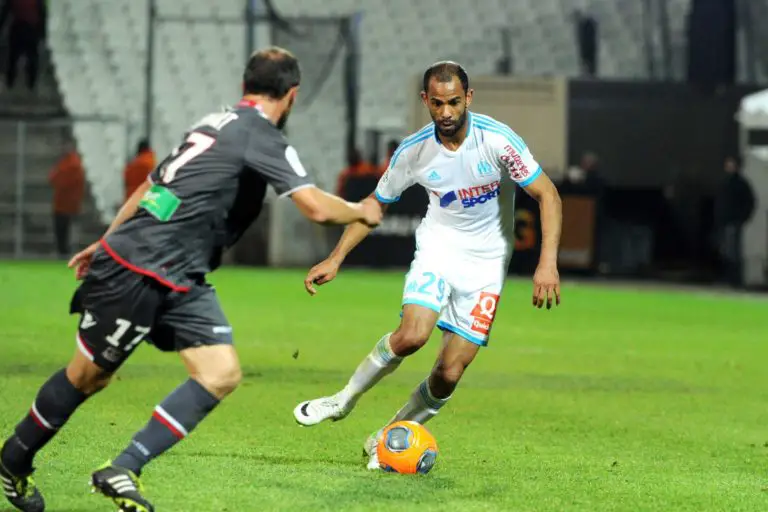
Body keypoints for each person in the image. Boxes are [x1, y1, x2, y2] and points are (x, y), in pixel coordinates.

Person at [0, 46, 382, 512]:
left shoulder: (214, 122)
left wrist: (108, 239)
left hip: (176, 272)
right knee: (87, 376)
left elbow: (151, 186)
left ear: (246, 85)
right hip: (145, 268)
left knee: (220, 373)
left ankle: (123, 468)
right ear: (293, 95)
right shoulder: (261, 134)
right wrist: (362, 210)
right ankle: (13, 460)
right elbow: (317, 207)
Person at [293, 61, 562, 470]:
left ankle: (386, 438)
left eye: (454, 102)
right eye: (437, 103)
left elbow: (548, 195)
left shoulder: (498, 140)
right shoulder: (414, 151)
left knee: (449, 373)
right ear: (425, 101)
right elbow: (376, 204)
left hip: (487, 266)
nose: (446, 112)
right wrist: (336, 257)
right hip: (439, 250)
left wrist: (547, 264)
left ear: (468, 98)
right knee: (412, 336)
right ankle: (343, 400)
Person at [714, 156, 755, 287]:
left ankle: (734, 279)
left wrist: (741, 218)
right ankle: (730, 278)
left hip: (732, 222)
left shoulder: (739, 184)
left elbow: (749, 202)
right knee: (726, 250)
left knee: (732, 251)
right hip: (725, 221)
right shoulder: (727, 183)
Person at [48, 142, 85, 257]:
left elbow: (55, 179)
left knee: (63, 232)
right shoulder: (72, 163)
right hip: (69, 204)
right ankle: (65, 252)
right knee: (65, 232)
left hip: (65, 205)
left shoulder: (69, 164)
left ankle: (64, 253)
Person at [0, 0, 46, 91]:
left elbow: (5, 13)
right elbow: (42, 14)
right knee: (32, 57)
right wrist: (42, 32)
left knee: (13, 57)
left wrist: (1, 27)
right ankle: (31, 83)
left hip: (18, 28)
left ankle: (10, 82)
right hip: (32, 29)